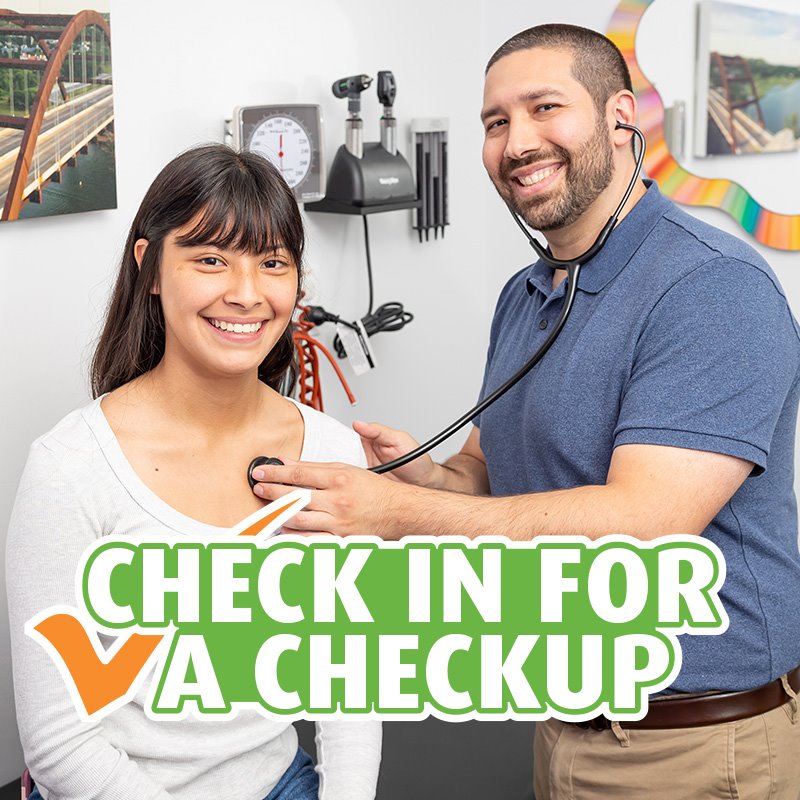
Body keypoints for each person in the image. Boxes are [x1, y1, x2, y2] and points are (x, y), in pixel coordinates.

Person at [251, 24, 800, 799]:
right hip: (565, 726)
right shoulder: (528, 293)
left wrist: (397, 512)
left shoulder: (711, 289)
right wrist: (429, 475)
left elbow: (643, 524)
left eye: (545, 107)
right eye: (496, 122)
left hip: (699, 742)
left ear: (621, 118)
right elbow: (491, 477)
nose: (517, 142)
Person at [6, 145, 381, 800]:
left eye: (272, 263)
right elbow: (60, 741)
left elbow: (350, 686)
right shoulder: (70, 468)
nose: (245, 293)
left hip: (278, 781)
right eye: (210, 258)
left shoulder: (330, 456)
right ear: (150, 268)